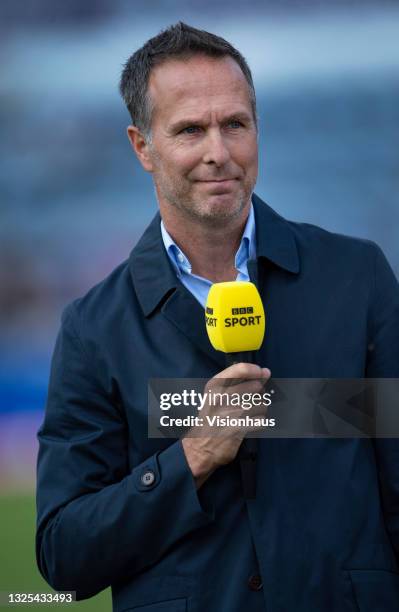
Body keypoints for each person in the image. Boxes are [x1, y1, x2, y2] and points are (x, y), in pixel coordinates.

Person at [36, 22, 399, 612]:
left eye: (235, 124)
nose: (219, 153)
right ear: (142, 146)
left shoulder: (358, 279)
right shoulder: (94, 329)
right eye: (189, 130)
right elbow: (64, 559)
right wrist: (191, 457)